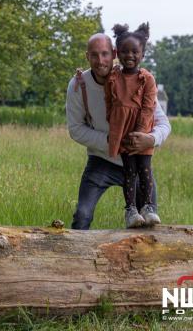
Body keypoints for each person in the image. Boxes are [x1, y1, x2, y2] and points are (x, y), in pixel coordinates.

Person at [66, 33, 171, 230]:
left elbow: (164, 123)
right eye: (94, 55)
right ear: (87, 56)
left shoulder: (136, 80)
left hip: (138, 161)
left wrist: (151, 139)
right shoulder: (78, 85)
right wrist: (111, 141)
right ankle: (77, 258)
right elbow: (75, 129)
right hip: (101, 161)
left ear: (114, 54)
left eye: (105, 54)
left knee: (148, 225)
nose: (100, 61)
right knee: (82, 216)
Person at [105, 22, 161, 228]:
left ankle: (148, 206)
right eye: (125, 51)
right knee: (128, 171)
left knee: (145, 169)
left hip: (142, 132)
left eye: (135, 52)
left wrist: (140, 133)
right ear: (118, 53)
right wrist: (113, 121)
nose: (130, 55)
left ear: (143, 54)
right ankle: (130, 210)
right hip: (123, 131)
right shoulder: (113, 77)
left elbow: (148, 108)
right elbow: (109, 101)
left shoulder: (147, 79)